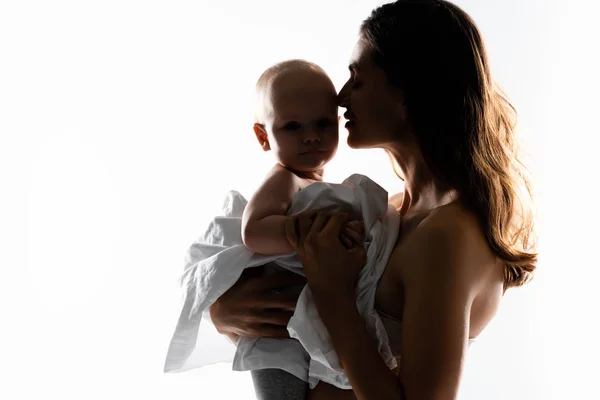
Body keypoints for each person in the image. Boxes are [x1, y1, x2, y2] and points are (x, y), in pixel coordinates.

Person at [210, 0, 538, 399]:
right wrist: (225, 313)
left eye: (357, 78)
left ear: (408, 88)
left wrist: (333, 294)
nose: (342, 97)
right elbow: (294, 311)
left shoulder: (449, 233)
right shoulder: (392, 211)